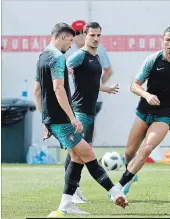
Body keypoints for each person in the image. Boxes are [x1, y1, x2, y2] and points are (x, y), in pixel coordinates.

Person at [34, 22, 128, 215]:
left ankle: (67, 203)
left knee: (78, 156)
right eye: (70, 40)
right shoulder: (59, 58)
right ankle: (115, 192)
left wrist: (45, 120)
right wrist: (72, 118)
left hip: (57, 118)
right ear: (63, 37)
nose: (71, 44)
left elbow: (38, 91)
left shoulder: (42, 56)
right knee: (87, 154)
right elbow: (58, 89)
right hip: (65, 117)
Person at [111, 26, 170, 197]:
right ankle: (131, 173)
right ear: (162, 40)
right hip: (144, 110)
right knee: (129, 152)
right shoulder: (153, 60)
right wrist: (147, 95)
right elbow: (134, 85)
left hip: (165, 114)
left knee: (146, 149)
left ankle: (121, 184)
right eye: (167, 40)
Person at [65, 22, 120, 204]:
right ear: (85, 36)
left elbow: (91, 83)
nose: (95, 38)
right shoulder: (79, 56)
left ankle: (74, 191)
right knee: (77, 153)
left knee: (79, 153)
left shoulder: (95, 57)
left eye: (98, 35)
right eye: (92, 35)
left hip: (90, 113)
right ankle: (73, 192)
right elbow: (63, 69)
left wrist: (107, 89)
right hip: (79, 111)